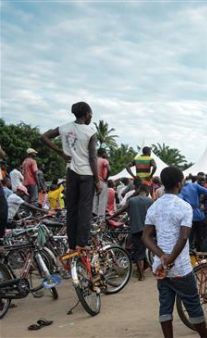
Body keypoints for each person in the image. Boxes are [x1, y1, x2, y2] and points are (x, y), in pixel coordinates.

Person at [142, 166, 207, 338]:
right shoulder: (184, 207)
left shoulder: (154, 207)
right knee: (193, 306)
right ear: (179, 183)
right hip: (180, 267)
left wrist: (161, 256)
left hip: (160, 268)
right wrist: (171, 259)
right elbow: (184, 237)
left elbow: (146, 237)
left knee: (165, 307)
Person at [41, 101, 100, 251]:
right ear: (87, 114)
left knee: (72, 209)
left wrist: (60, 152)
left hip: (71, 173)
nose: (91, 117)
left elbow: (44, 137)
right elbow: (93, 158)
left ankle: (72, 245)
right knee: (85, 209)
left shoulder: (64, 128)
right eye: (91, 114)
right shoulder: (90, 131)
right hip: (87, 174)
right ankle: (82, 243)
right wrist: (97, 180)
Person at [110, 184, 153, 281]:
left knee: (138, 252)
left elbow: (120, 210)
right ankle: (146, 269)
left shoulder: (132, 200)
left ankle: (141, 275)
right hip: (148, 230)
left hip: (135, 230)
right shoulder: (150, 201)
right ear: (146, 191)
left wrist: (110, 217)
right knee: (146, 249)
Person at [179, 175, 207, 252]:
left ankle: (191, 255)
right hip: (199, 215)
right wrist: (200, 199)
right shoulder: (194, 185)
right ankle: (204, 256)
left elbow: (179, 202)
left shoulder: (180, 190)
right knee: (202, 237)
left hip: (188, 217)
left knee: (189, 238)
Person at [93, 148, 110, 217]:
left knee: (94, 199)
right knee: (102, 200)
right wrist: (106, 178)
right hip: (102, 181)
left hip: (94, 181)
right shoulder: (104, 160)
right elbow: (109, 169)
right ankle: (100, 217)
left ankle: (93, 215)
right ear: (103, 153)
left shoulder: (93, 160)